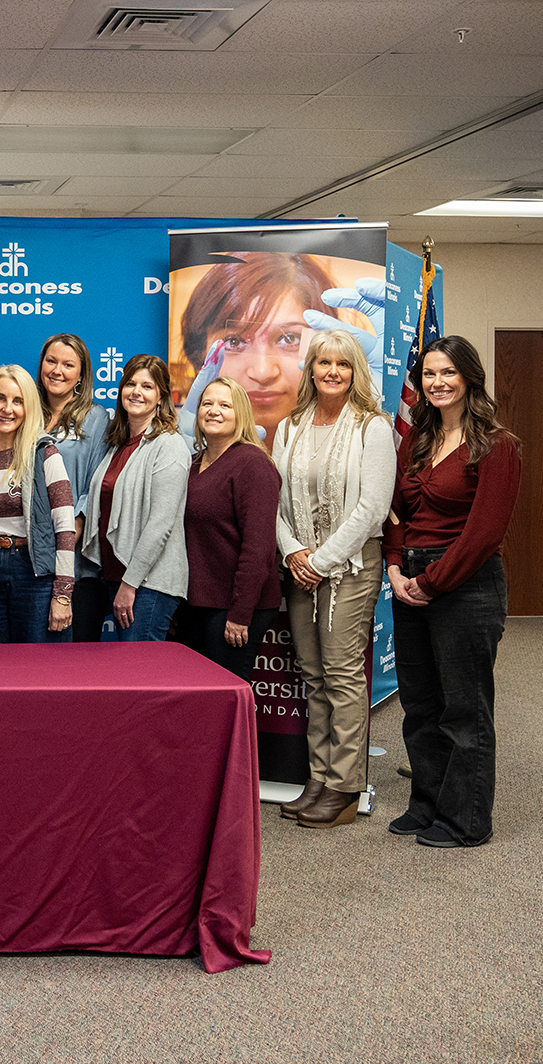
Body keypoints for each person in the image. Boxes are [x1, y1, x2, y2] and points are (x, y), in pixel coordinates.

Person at [384, 335, 521, 849]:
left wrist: (431, 581)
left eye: (448, 373)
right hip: (411, 582)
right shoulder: (415, 439)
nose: (437, 383)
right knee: (420, 705)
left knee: (464, 709)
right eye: (429, 375)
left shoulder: (497, 444)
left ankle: (466, 820)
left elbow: (484, 533)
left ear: (469, 378)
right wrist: (395, 569)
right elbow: (396, 510)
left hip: (466, 587)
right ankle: (428, 806)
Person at [269, 330, 397, 829]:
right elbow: (275, 503)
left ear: (355, 371)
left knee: (343, 677)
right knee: (314, 676)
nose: (332, 371)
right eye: (323, 362)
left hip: (349, 567)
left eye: (342, 364)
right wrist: (294, 551)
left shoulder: (373, 428)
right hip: (300, 566)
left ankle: (345, 787)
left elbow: (372, 509)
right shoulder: (290, 427)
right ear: (311, 369)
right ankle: (319, 779)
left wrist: (320, 561)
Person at [178, 252, 370, 441]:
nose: (263, 372)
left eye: (289, 339)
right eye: (234, 341)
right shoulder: (181, 452)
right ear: (198, 356)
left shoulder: (361, 436)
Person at [0, 365, 76, 643]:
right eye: (0, 398)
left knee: (41, 669)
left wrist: (63, 593)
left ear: (29, 408)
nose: (7, 409)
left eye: (18, 401)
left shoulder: (45, 453)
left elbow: (65, 529)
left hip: (34, 576)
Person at [176, 377, 282, 679]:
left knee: (225, 694)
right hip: (197, 603)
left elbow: (259, 549)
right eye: (207, 404)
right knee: (198, 696)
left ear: (242, 414)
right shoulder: (195, 463)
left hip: (234, 606)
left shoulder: (253, 464)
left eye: (225, 405)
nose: (214, 410)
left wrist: (240, 614)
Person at [81, 355, 188, 642]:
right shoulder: (117, 443)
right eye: (130, 383)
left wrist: (130, 585)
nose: (136, 392)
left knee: (140, 677)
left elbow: (160, 525)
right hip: (116, 578)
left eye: (147, 386)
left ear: (161, 396)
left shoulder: (169, 445)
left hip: (148, 584)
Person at [37, 333, 113, 642]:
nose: (57, 371)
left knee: (74, 660)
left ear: (81, 374)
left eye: (68, 365)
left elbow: (94, 486)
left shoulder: (96, 418)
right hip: (31, 556)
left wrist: (69, 533)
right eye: (51, 361)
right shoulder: (28, 413)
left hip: (76, 558)